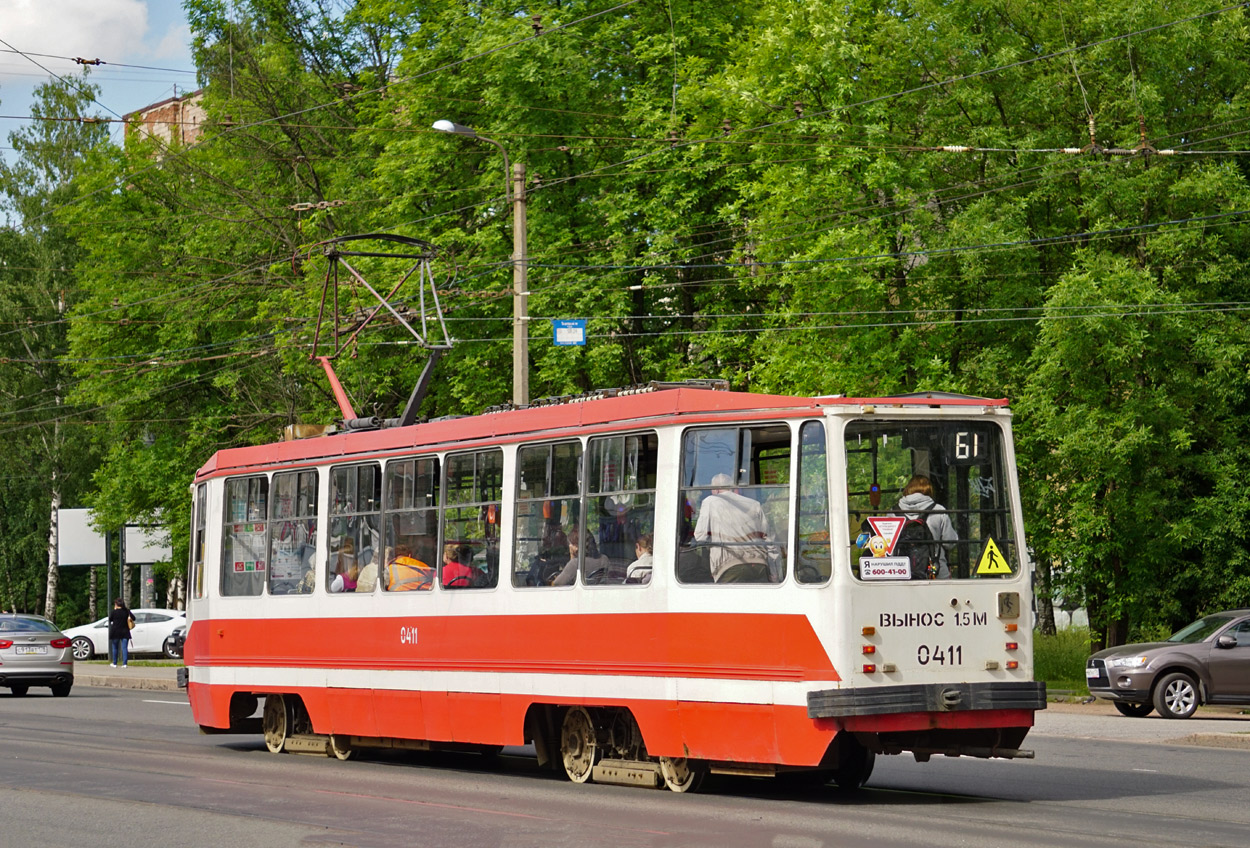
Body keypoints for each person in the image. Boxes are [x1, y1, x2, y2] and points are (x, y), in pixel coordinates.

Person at [693, 472, 776, 583]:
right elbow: (769, 540)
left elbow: (700, 536)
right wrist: (774, 572)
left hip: (730, 566)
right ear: (732, 488)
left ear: (715, 490)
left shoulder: (710, 502)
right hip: (759, 565)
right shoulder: (754, 504)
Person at [896, 475, 958, 578]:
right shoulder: (939, 511)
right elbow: (950, 543)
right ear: (929, 490)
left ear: (908, 489)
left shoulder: (893, 512)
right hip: (935, 573)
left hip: (901, 573)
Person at [107, 597, 133, 668]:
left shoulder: (114, 612)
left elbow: (110, 619)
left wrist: (115, 611)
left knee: (115, 648)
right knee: (124, 648)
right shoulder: (127, 611)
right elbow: (133, 618)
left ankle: (115, 663)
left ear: (116, 604)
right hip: (125, 631)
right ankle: (125, 664)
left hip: (115, 631)